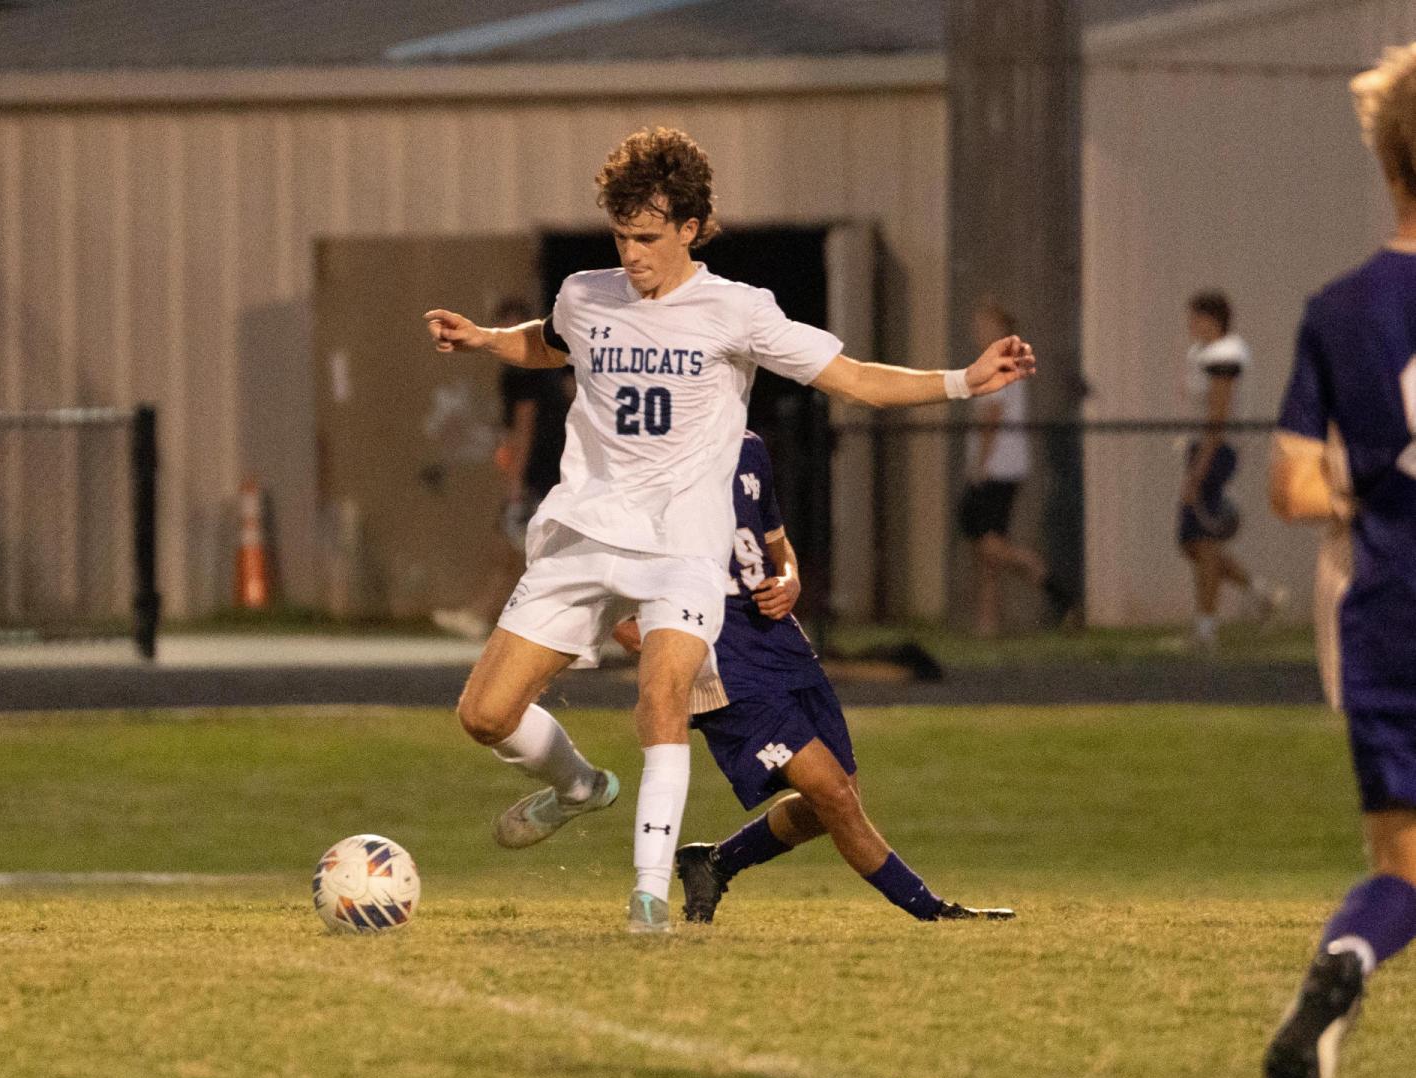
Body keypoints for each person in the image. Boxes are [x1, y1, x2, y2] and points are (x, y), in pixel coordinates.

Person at [423, 125, 1035, 934]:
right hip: (586, 529)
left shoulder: (738, 311)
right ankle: (578, 786)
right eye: (621, 236)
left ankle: (648, 896)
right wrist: (483, 339)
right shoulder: (585, 293)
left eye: (646, 237)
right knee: (485, 715)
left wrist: (962, 380)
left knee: (664, 693)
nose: (632, 253)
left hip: (683, 546)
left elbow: (854, 379)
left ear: (689, 227)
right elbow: (550, 342)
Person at [615, 432, 1014, 925]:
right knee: (834, 795)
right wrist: (643, 627)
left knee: (840, 795)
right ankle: (932, 911)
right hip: (721, 655)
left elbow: (777, 546)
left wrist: (790, 580)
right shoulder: (649, 453)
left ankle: (715, 862)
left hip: (779, 641)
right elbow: (611, 571)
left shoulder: (749, 446)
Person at [1262, 42, 1416, 1078]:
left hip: (1388, 613)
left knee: (1402, 862)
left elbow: (1291, 489)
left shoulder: (1340, 309)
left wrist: (1363, 484)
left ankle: (1349, 959)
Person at [432, 298, 573, 640]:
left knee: (521, 552)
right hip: (559, 468)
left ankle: (484, 615)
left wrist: (514, 484)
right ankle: (482, 613)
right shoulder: (551, 369)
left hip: (542, 474)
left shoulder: (523, 373)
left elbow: (524, 429)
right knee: (519, 552)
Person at [958, 297, 1074, 634]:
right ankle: (988, 623)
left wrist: (979, 464)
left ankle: (1054, 587)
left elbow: (991, 418)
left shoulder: (1002, 363)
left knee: (989, 545)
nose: (979, 331)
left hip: (998, 469)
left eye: (987, 325)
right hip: (1000, 466)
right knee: (987, 550)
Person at [1178, 289, 1285, 650]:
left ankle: (1206, 628)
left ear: (1212, 319)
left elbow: (1218, 416)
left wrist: (1198, 470)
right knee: (1191, 542)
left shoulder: (1227, 354)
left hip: (1215, 450)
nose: (1190, 325)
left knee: (1204, 541)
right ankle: (1261, 593)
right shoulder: (1201, 352)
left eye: (1195, 317)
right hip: (1199, 448)